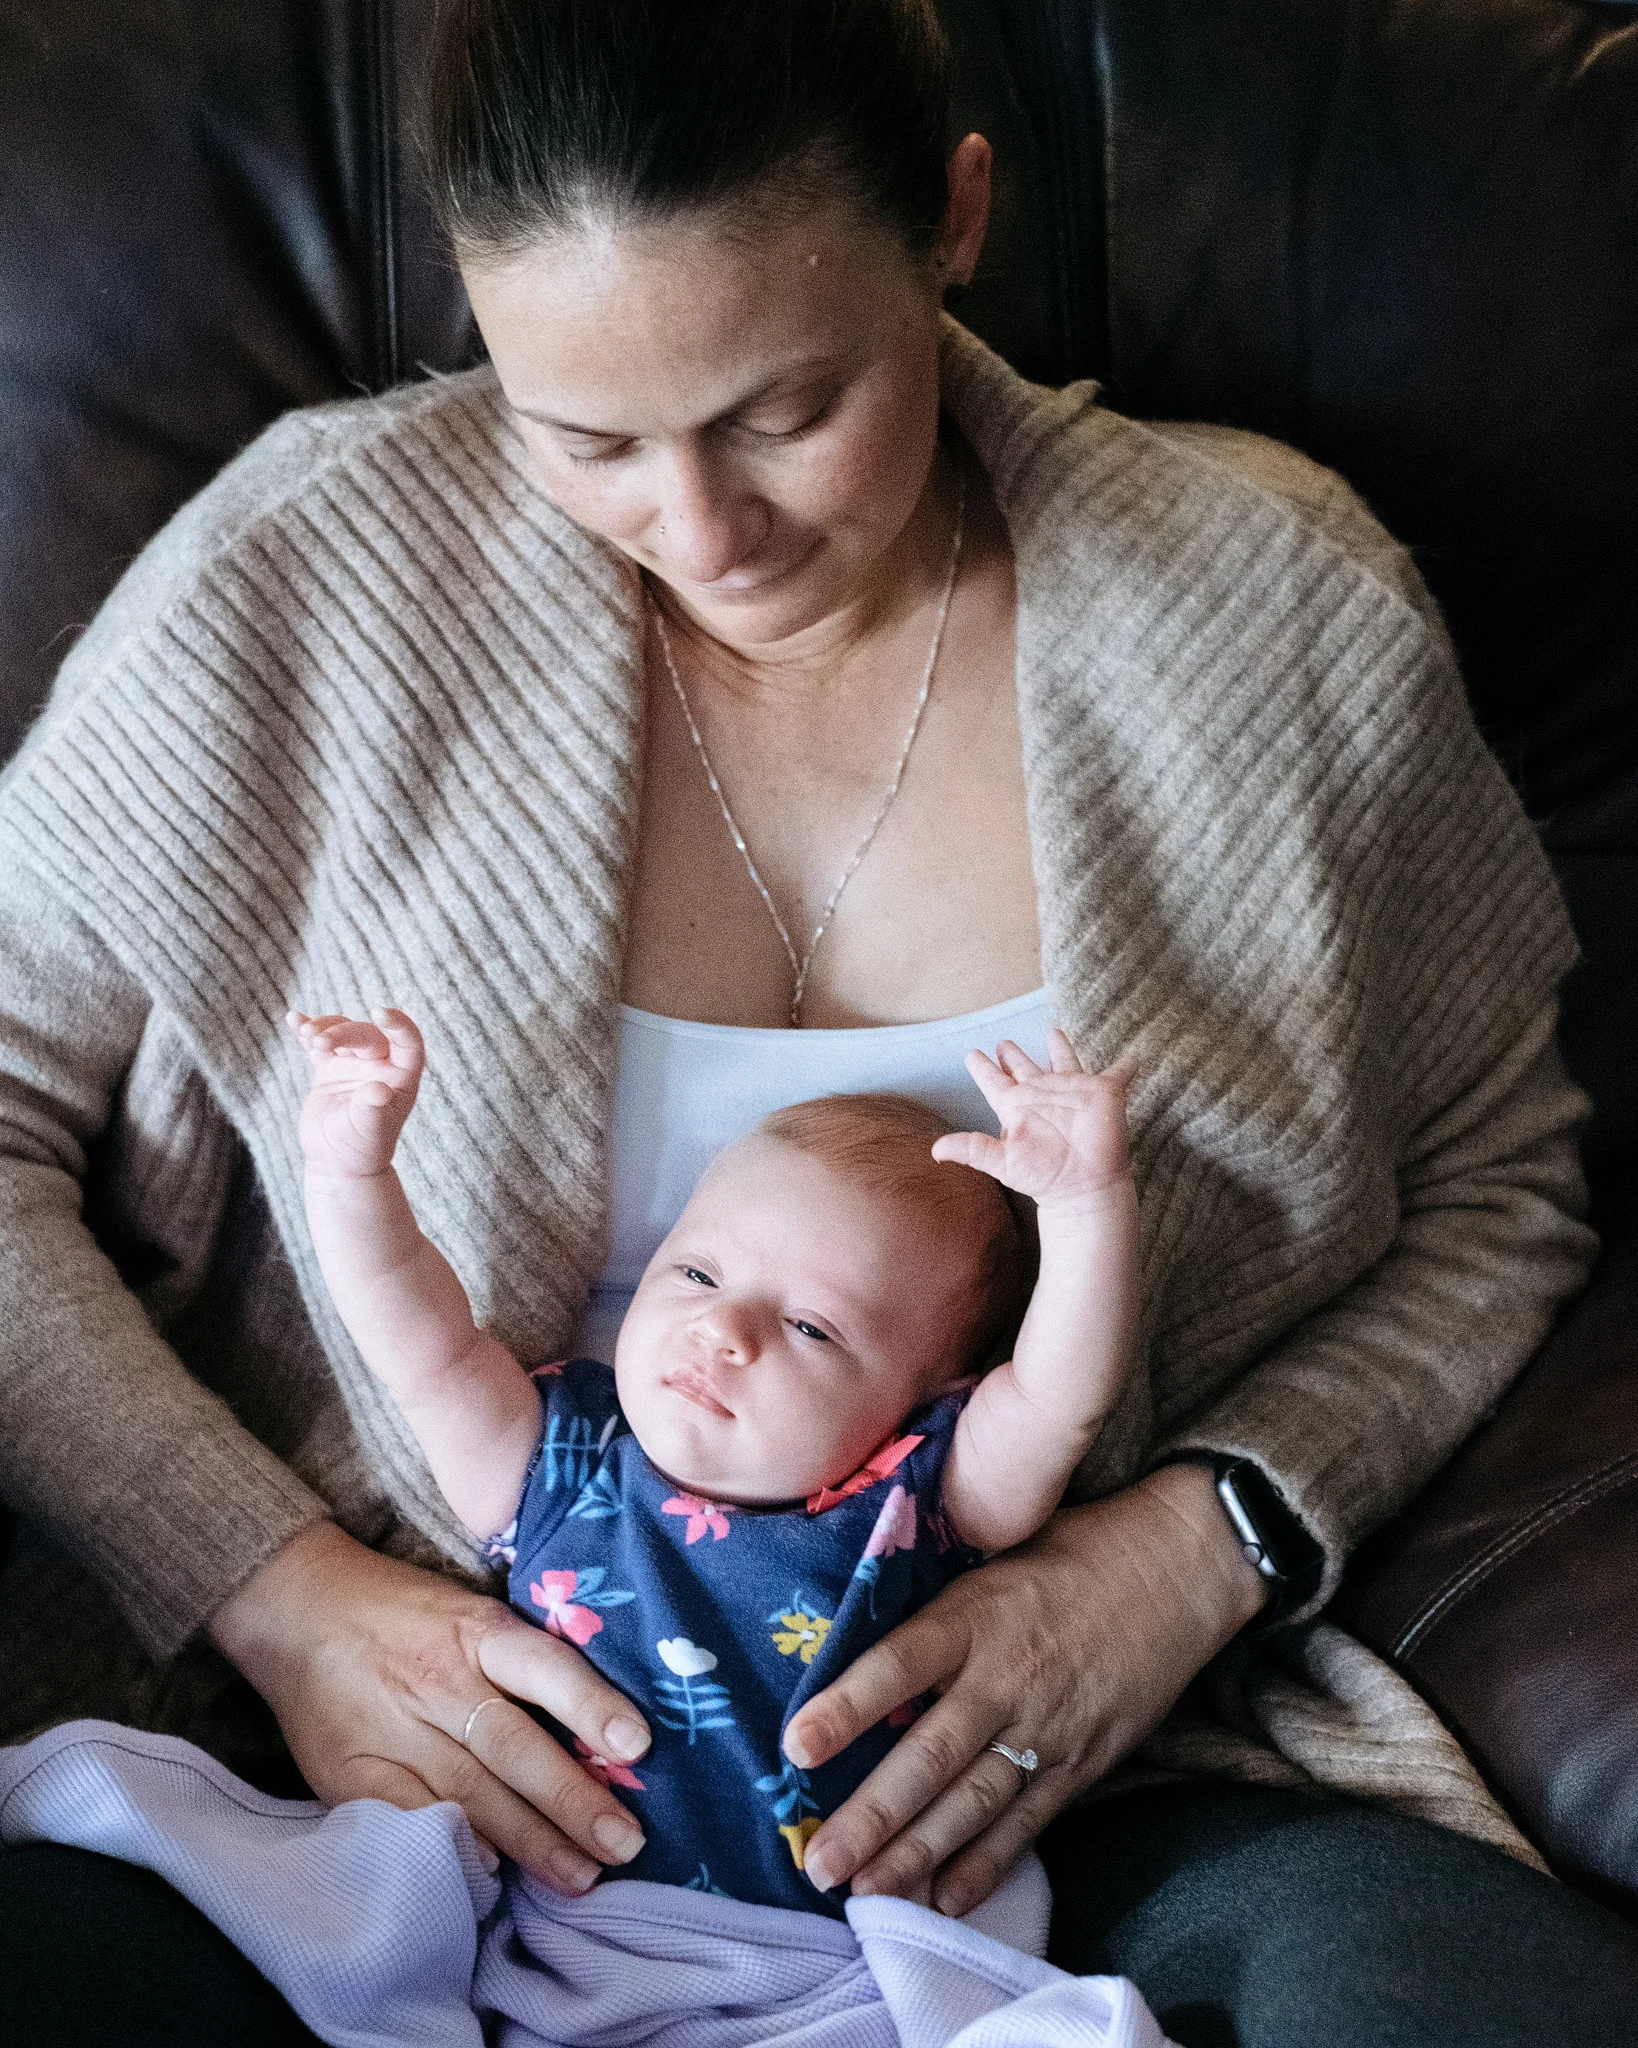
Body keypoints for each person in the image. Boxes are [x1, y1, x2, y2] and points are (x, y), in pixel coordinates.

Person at [2, 0, 1637, 2040]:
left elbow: (1502, 1184)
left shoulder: (1270, 609)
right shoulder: (300, 584)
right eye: (587, 439)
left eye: (785, 411)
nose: (701, 531)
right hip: (363, 1782)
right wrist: (270, 1586)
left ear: (953, 217)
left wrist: (1194, 1542)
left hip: (1079, 1786)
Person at [288, 1003, 1136, 1911]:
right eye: (696, 1274)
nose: (722, 1327)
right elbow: (418, 1340)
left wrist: (1087, 1207)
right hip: (551, 1906)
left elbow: (1057, 1400)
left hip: (839, 1939)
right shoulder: (562, 1463)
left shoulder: (918, 1498)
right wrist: (349, 1172)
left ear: (924, 1402)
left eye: (810, 1327)